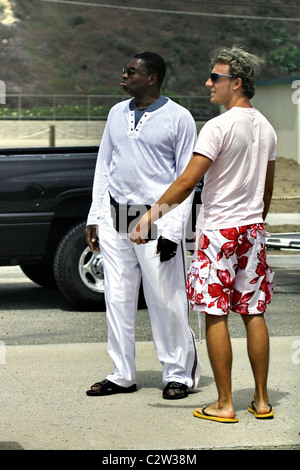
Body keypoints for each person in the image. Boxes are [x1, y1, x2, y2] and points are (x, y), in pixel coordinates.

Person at [130, 46, 276, 422]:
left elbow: (187, 180)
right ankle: (261, 401)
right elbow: (267, 188)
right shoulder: (266, 126)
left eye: (216, 77)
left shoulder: (218, 126)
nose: (208, 83)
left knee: (215, 315)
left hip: (219, 231)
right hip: (252, 230)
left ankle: (225, 403)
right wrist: (254, 222)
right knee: (254, 312)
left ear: (237, 83)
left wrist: (150, 217)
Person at [85, 51, 201, 399]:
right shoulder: (116, 113)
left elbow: (187, 179)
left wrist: (172, 230)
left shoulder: (179, 118)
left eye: (131, 71)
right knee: (117, 299)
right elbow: (104, 165)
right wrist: (94, 216)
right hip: (116, 216)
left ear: (152, 78)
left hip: (158, 218)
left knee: (166, 300)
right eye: (125, 70)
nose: (124, 75)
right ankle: (122, 373)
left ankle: (178, 374)